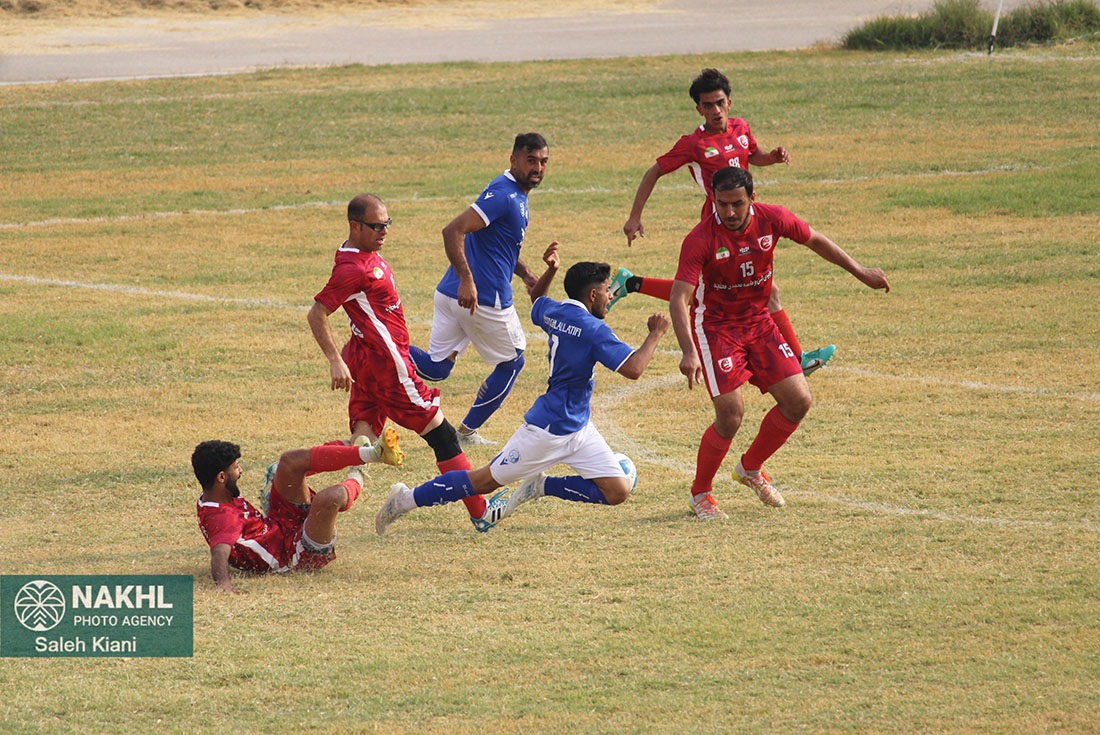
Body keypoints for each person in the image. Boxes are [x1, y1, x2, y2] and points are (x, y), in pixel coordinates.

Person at [375, 260, 670, 535]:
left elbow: (537, 300)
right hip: (546, 431)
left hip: (579, 427)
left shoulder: (555, 312)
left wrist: (550, 271)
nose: (611, 297)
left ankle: (541, 485)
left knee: (617, 491)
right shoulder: (594, 330)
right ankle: (404, 500)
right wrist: (655, 333)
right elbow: (633, 368)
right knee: (482, 482)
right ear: (592, 295)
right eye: (608, 291)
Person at [671, 167, 889, 520]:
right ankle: (700, 494)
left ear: (752, 199)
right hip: (717, 329)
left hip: (759, 323)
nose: (729, 212)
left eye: (737, 203)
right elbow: (679, 298)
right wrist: (688, 350)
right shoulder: (700, 239)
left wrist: (861, 272)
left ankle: (750, 468)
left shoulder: (772, 219)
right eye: (722, 204)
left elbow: (816, 240)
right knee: (730, 415)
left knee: (798, 401)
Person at [617, 67, 835, 376]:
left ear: (729, 102)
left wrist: (771, 157)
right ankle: (630, 284)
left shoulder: (741, 128)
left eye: (720, 103)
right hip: (717, 227)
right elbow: (654, 172)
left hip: (744, 222)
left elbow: (752, 154)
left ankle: (629, 283)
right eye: (708, 105)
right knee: (703, 293)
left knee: (757, 291)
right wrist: (634, 216)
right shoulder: (693, 143)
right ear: (699, 109)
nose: (716, 110)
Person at [307, 194, 496, 531]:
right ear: (355, 226)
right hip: (388, 368)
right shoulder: (353, 269)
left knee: (363, 442)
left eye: (387, 224)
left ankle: (300, 475)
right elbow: (317, 313)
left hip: (365, 358)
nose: (384, 232)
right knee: (444, 437)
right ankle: (480, 511)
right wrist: (334, 359)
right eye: (377, 226)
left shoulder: (357, 252)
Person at [408, 133, 554, 446]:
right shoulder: (505, 195)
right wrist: (467, 280)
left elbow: (497, 242)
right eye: (530, 160)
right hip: (483, 299)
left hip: (451, 294)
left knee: (436, 369)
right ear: (513, 160)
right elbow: (452, 230)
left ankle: (379, 345)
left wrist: (525, 273)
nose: (538, 168)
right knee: (512, 363)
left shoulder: (509, 190)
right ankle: (466, 432)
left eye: (543, 161)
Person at [192, 432, 402, 592]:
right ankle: (358, 474)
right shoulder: (222, 518)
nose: (241, 471)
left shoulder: (214, 495)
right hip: (293, 555)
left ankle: (372, 454)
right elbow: (219, 551)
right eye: (236, 467)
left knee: (289, 461)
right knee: (328, 498)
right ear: (221, 477)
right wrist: (224, 584)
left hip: (279, 525)